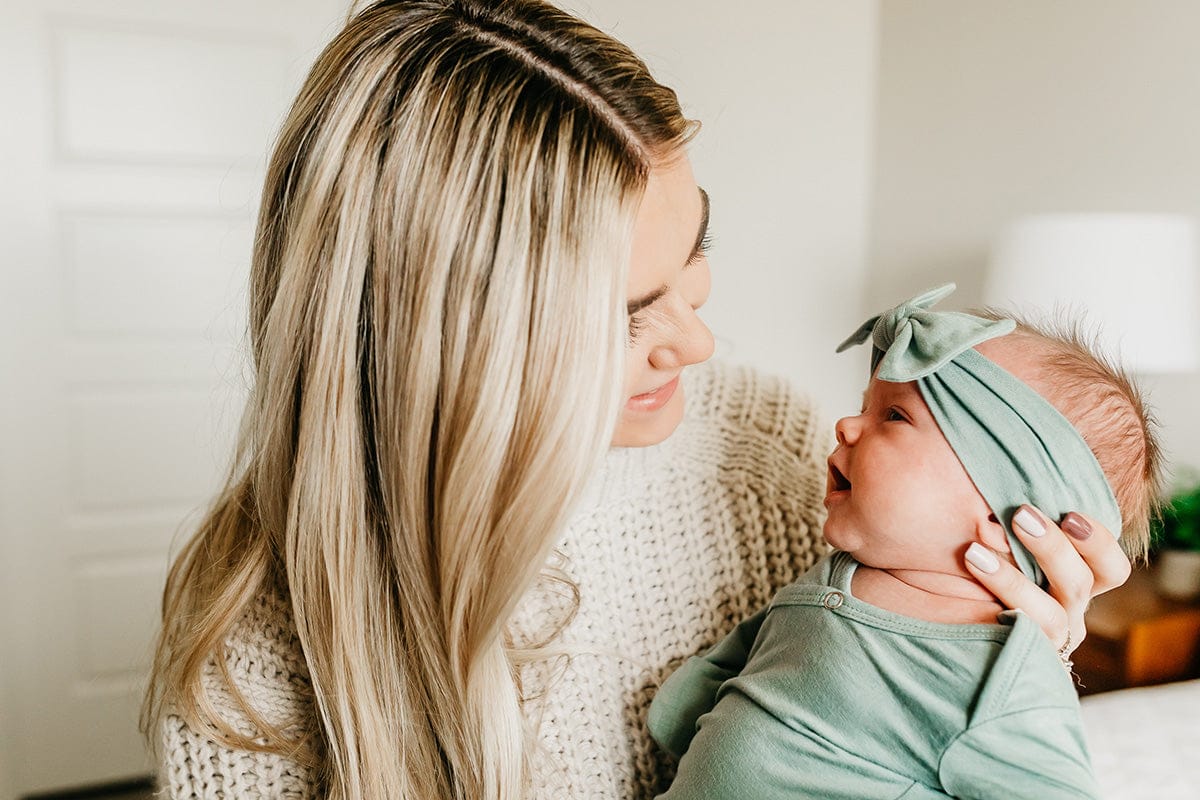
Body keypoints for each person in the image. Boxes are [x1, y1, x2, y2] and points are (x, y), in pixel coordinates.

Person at [140, 2, 1134, 798]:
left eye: (696, 250)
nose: (697, 343)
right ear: (443, 346)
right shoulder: (253, 643)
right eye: (621, 316)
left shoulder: (768, 450)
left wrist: (1013, 644)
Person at [647, 285, 1161, 800]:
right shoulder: (847, 570)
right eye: (865, 406)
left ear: (1001, 516)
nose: (846, 425)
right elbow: (763, 656)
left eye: (894, 416)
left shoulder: (998, 679)